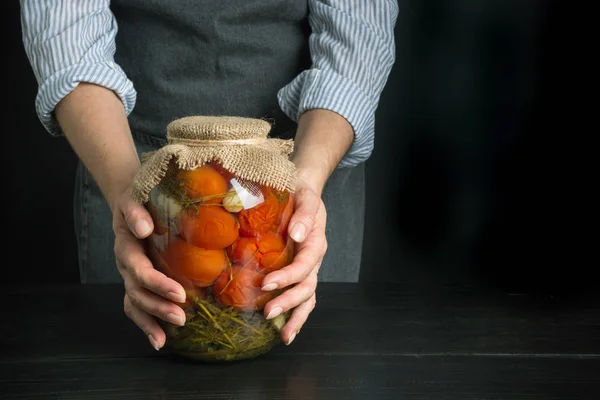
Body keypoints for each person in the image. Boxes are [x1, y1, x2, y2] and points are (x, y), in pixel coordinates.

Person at [20, 1, 398, 351]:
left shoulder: (295, 185)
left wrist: (303, 184)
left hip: (301, 158)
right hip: (132, 161)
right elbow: (65, 30)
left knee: (306, 371)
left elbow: (359, 31)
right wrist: (129, 189)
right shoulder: (141, 184)